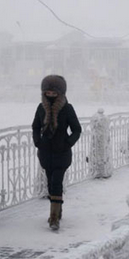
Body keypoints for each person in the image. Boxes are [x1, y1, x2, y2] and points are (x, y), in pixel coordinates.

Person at [32, 75, 82, 231]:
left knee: (56, 183)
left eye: (54, 93)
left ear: (61, 93)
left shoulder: (67, 108)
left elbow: (76, 129)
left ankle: (53, 218)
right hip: (46, 153)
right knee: (50, 183)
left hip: (62, 153)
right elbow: (35, 127)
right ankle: (58, 211)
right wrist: (38, 141)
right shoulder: (41, 108)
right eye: (48, 93)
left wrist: (67, 143)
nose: (51, 95)